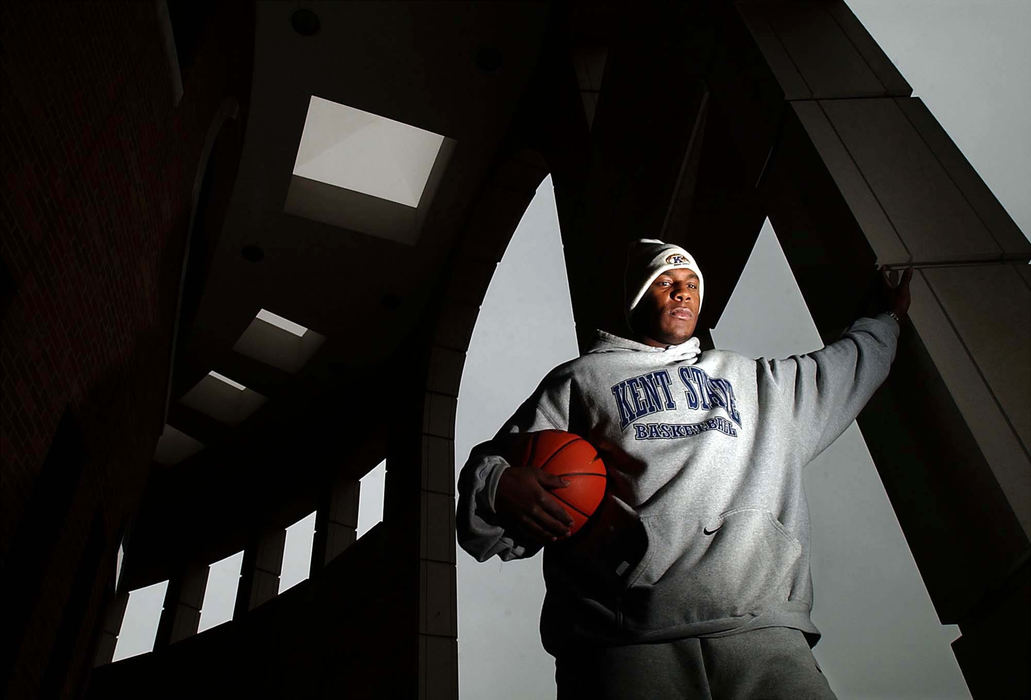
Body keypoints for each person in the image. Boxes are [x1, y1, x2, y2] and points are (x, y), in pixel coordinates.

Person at [457, 239, 912, 699]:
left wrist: (886, 321)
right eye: (666, 282)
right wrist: (497, 484)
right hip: (620, 644)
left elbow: (847, 364)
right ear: (639, 297)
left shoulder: (757, 382)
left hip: (762, 633)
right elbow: (496, 471)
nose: (682, 292)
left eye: (691, 283)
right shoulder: (579, 380)